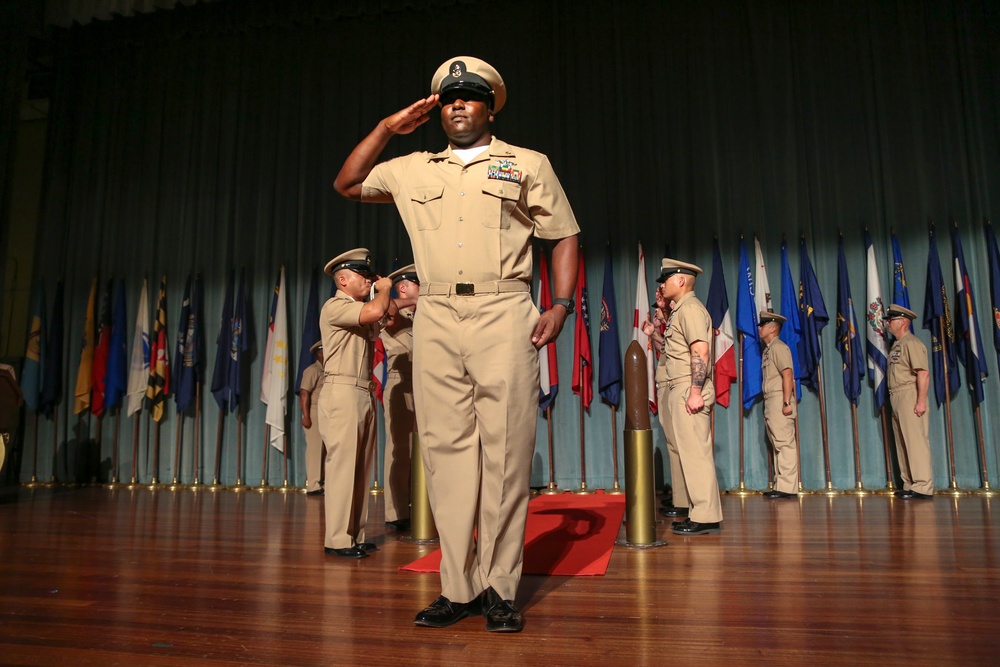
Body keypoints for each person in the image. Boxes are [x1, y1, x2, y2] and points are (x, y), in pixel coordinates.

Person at [334, 56, 579, 632]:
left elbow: (564, 234)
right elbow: (347, 183)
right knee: (445, 456)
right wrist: (388, 129)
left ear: (489, 106)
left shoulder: (526, 163)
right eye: (448, 99)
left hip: (504, 307)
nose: (458, 106)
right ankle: (458, 587)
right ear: (436, 110)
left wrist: (561, 304)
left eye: (470, 97)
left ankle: (499, 588)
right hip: (436, 313)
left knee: (507, 453)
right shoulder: (412, 168)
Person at [319, 248, 394, 559]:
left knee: (361, 468)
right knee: (342, 468)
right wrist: (386, 288)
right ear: (343, 279)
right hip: (341, 390)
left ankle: (354, 534)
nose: (368, 281)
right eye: (363, 276)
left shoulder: (358, 308)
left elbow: (385, 318)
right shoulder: (334, 306)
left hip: (361, 390)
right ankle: (337, 539)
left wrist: (382, 294)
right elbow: (377, 313)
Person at [655, 258, 722, 535]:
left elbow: (700, 352)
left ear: (681, 280)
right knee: (686, 451)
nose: (663, 284)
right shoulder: (680, 310)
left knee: (696, 453)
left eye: (666, 279)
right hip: (677, 385)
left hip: (687, 387)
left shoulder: (691, 309)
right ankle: (695, 509)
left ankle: (706, 516)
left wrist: (695, 391)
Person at [381, 264, 420, 532]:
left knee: (426, 452)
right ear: (404, 286)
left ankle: (421, 507)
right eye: (420, 283)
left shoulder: (426, 316)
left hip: (428, 387)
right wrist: (418, 298)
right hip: (402, 383)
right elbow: (386, 306)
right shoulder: (395, 312)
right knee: (401, 451)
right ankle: (396, 512)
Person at [643, 293, 688, 519]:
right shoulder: (667, 330)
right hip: (665, 387)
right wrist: (654, 334)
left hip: (674, 386)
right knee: (673, 445)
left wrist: (655, 334)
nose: (657, 313)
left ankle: (685, 500)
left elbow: (671, 348)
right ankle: (681, 497)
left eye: (659, 310)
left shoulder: (677, 325)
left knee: (679, 445)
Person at [884, 304, 934, 499]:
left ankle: (922, 485)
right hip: (896, 395)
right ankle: (909, 483)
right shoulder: (898, 345)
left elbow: (923, 373)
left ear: (903, 321)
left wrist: (920, 401)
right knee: (903, 443)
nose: (888, 323)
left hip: (910, 394)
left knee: (915, 441)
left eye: (892, 320)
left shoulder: (911, 343)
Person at [757, 311, 798, 499]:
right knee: (777, 442)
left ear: (773, 328)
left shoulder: (779, 347)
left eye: (763, 325)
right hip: (771, 399)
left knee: (784, 443)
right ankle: (781, 484)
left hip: (779, 397)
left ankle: (788, 488)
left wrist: (786, 401)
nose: (760, 328)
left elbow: (787, 373)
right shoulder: (769, 349)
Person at [298, 341, 326, 496]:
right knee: (315, 450)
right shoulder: (312, 370)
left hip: (328, 414)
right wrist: (306, 416)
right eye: (323, 351)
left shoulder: (330, 370)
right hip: (314, 412)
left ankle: (325, 483)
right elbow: (304, 393)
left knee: (328, 451)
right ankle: (314, 485)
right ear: (318, 353)